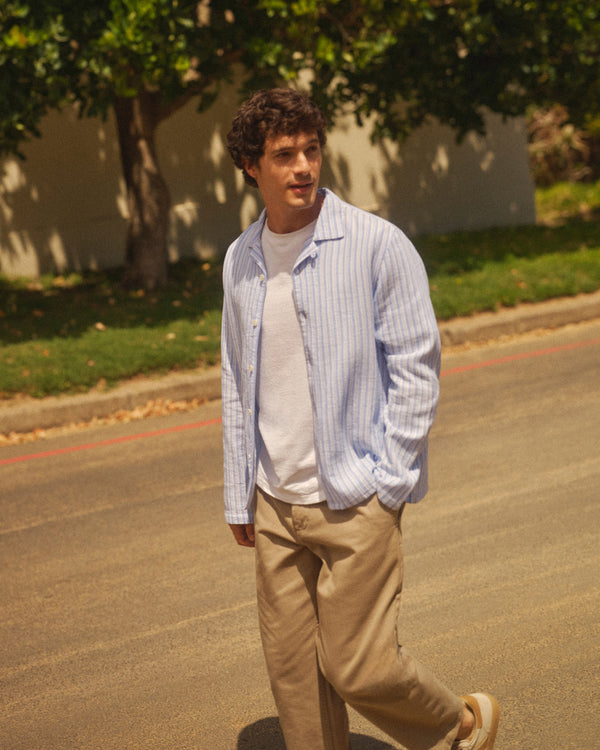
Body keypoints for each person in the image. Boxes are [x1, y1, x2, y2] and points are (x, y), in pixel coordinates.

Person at [221, 87, 500, 750]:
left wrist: (391, 478)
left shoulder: (376, 243)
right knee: (295, 678)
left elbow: (416, 364)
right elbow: (237, 378)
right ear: (251, 167)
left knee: (358, 666)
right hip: (275, 498)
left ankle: (460, 724)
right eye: (283, 155)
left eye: (311, 149)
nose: (303, 166)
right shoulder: (241, 257)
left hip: (356, 491)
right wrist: (239, 492)